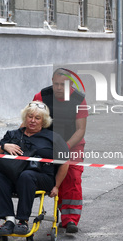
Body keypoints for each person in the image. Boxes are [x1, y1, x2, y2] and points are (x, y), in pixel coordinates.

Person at [0, 101, 69, 236]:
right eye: (30, 116)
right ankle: (9, 219)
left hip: (42, 178)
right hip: (14, 176)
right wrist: (4, 147)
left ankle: (23, 220)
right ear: (25, 117)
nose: (32, 121)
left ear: (43, 121)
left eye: (37, 118)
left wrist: (56, 186)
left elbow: (65, 163)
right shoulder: (13, 134)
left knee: (27, 175)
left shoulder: (53, 138)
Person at [32, 68, 88, 233]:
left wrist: (65, 148)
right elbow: (31, 120)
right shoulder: (41, 97)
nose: (58, 87)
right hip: (47, 143)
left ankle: (70, 219)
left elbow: (80, 130)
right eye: (55, 83)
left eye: (62, 85)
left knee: (72, 176)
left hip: (72, 144)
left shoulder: (79, 100)